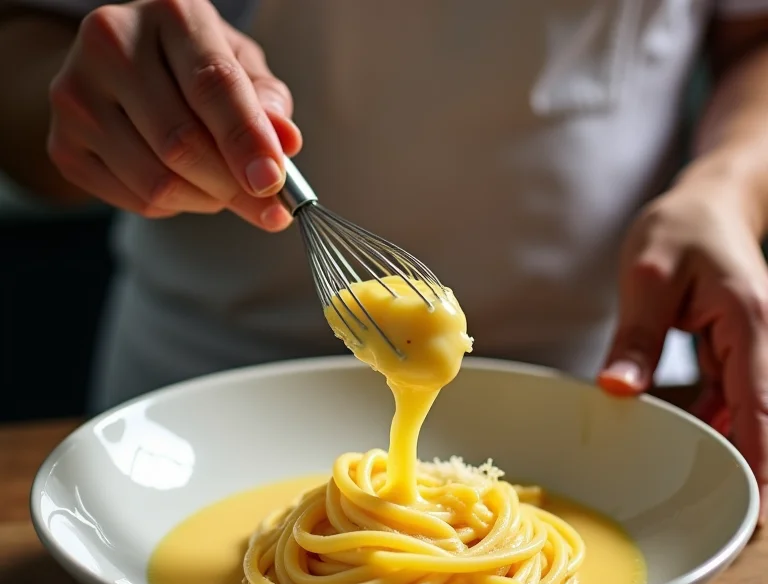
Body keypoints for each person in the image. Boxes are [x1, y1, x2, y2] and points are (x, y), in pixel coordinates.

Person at [1, 0, 767, 524]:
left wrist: (729, 184)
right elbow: (19, 44)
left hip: (608, 400)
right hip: (191, 416)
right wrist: (82, 105)